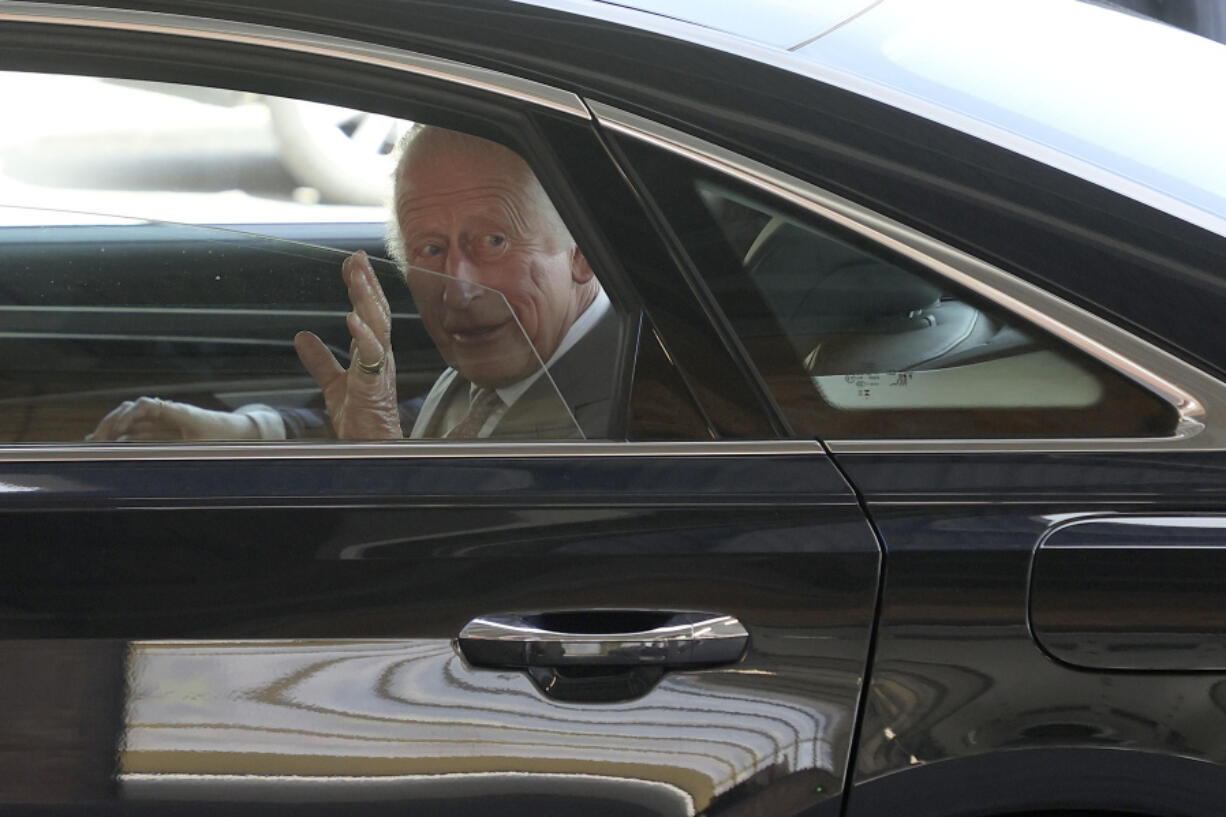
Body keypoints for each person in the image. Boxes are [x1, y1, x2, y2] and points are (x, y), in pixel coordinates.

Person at [86, 127, 618, 442]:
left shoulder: (618, 421)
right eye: (431, 251)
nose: (458, 290)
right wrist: (245, 435)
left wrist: (391, 479)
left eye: (494, 243)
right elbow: (424, 426)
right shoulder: (528, 364)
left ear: (584, 255)